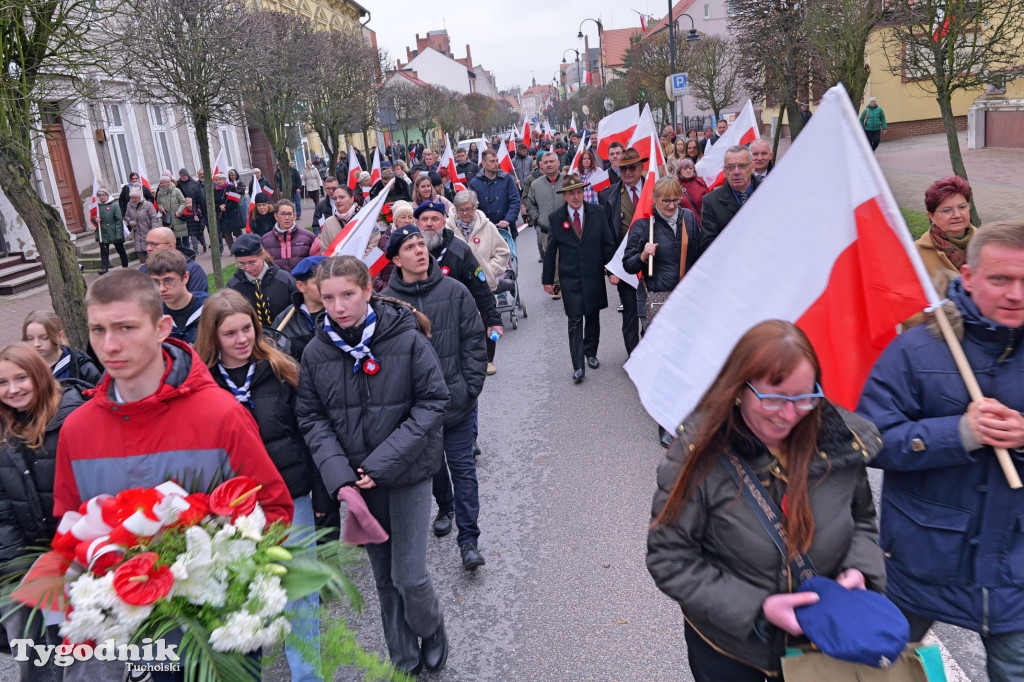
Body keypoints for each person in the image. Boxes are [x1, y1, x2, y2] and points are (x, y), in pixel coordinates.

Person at [53, 268, 293, 681]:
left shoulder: (221, 414)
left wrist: (217, 571)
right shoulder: (77, 430)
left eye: (126, 328)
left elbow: (273, 510)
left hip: (217, 631)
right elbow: (68, 529)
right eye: (98, 330)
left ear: (162, 328)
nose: (109, 345)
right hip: (139, 638)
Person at [648, 320, 885, 682]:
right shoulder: (697, 456)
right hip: (731, 652)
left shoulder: (839, 444)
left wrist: (860, 570)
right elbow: (669, 559)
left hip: (819, 647)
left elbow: (863, 520)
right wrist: (759, 610)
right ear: (739, 389)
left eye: (804, 397)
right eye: (773, 398)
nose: (789, 415)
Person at [857, 221, 1024, 682]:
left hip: (1013, 573)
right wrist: (960, 433)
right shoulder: (917, 350)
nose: (1016, 294)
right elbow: (870, 439)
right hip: (919, 560)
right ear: (967, 277)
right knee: (879, 670)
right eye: (1000, 279)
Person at [295, 256, 450, 676]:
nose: (339, 306)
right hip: (359, 483)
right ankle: (403, 656)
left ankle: (431, 626)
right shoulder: (316, 352)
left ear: (367, 289)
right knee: (384, 577)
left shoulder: (406, 338)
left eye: (347, 294)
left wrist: (382, 462)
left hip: (408, 471)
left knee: (409, 575)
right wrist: (340, 476)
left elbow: (434, 401)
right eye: (329, 298)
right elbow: (311, 418)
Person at [195, 289, 324, 682]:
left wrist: (321, 491)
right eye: (230, 333)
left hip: (289, 495)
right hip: (229, 509)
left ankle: (307, 676)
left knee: (299, 589)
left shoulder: (281, 369)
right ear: (213, 337)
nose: (242, 339)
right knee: (242, 594)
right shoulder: (201, 386)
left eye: (247, 329)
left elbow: (309, 431)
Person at [382, 227, 487, 571]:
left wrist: (469, 388)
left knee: (464, 470)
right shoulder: (386, 304)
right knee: (435, 467)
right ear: (396, 260)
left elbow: (474, 341)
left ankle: (469, 540)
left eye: (420, 244)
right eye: (410, 247)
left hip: (457, 403)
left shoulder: (455, 291)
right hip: (417, 413)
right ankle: (445, 507)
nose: (419, 251)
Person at [0, 342, 86, 682]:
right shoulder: (4, 428)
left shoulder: (73, 416)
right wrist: (20, 566)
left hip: (78, 555)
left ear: (39, 375)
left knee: (83, 654)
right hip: (26, 559)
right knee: (34, 655)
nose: (12, 389)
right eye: (2, 382)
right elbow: (3, 509)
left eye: (21, 378)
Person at [623, 177, 701, 445]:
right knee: (664, 360)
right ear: (654, 200)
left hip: (685, 298)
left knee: (685, 357)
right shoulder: (643, 226)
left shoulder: (689, 219)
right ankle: (665, 420)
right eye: (665, 200)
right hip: (656, 298)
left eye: (675, 199)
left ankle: (687, 411)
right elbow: (628, 265)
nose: (671, 205)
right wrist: (642, 256)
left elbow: (697, 255)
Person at [542, 175, 617, 384]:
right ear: (564, 195)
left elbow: (607, 242)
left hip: (593, 274)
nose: (576, 197)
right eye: (571, 193)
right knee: (574, 320)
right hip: (570, 278)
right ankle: (578, 366)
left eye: (579, 192)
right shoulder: (556, 217)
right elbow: (551, 251)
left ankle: (591, 352)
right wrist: (548, 279)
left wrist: (612, 270)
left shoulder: (597, 212)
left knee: (592, 316)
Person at [447, 190, 511, 375]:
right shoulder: (447, 229)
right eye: (461, 210)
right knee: (461, 324)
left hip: (483, 284)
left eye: (469, 209)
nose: (465, 213)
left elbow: (503, 252)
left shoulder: (487, 226)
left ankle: (489, 359)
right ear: (455, 209)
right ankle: (465, 361)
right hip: (458, 286)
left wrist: (489, 270)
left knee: (488, 320)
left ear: (476, 207)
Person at [598, 147, 649, 355]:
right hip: (625, 266)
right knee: (630, 311)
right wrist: (611, 270)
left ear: (641, 167)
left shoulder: (655, 189)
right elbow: (607, 236)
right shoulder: (607, 196)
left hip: (654, 262)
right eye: (623, 168)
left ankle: (650, 353)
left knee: (653, 310)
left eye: (632, 168)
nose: (627, 172)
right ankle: (634, 355)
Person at [700, 145, 761, 256]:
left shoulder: (768, 192)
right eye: (730, 167)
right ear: (724, 171)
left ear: (753, 167)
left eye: (742, 166)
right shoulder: (711, 201)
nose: (736, 172)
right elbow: (708, 245)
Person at [228, 233, 297, 326]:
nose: (248, 268)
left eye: (252, 262)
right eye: (242, 264)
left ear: (263, 255)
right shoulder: (233, 287)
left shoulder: (284, 280)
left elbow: (298, 311)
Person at [22, 310, 103, 387]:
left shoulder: (82, 366)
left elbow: (102, 393)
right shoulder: (23, 367)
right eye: (30, 338)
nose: (36, 344)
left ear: (59, 336)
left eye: (44, 338)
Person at [147, 249, 210, 346]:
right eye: (155, 282)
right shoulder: (153, 316)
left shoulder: (210, 307)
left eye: (168, 280)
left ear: (185, 277)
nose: (161, 288)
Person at [917, 176, 976, 275]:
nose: (957, 215)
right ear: (931, 216)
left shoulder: (986, 242)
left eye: (962, 207)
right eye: (947, 210)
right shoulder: (915, 252)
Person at [527, 151, 566, 299]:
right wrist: (537, 219)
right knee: (552, 258)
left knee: (568, 256)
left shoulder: (567, 180)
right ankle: (557, 286)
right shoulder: (536, 184)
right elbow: (530, 204)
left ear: (558, 163)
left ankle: (571, 283)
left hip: (567, 228)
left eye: (551, 161)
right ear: (541, 165)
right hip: (546, 229)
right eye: (546, 162)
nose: (549, 165)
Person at [273, 255, 324, 360]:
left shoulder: (341, 313)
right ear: (301, 286)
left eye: (328, 281)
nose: (325, 287)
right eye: (317, 283)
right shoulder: (284, 320)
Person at [139, 226, 209, 294]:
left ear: (171, 246)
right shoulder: (143, 270)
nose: (148, 248)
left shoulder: (193, 269)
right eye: (147, 244)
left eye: (154, 244)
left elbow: (198, 299)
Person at [468, 149, 521, 238]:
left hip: (506, 230)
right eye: (492, 161)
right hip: (483, 231)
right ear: (484, 163)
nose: (496, 164)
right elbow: (470, 206)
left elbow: (515, 201)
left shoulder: (507, 179)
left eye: (497, 160)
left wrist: (508, 220)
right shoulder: (474, 183)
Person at [261, 200, 316, 273]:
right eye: (283, 214)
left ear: (294, 216)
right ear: (276, 216)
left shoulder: (309, 237)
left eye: (289, 214)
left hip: (302, 279)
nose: (286, 217)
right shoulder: (265, 240)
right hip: (277, 279)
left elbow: (317, 263)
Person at [373, 201, 414, 292]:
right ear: (395, 220)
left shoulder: (418, 239)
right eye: (403, 217)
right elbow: (375, 269)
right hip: (389, 291)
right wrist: (382, 287)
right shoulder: (384, 239)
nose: (407, 221)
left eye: (410, 217)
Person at [92, 186, 127, 274]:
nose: (102, 197)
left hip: (114, 231)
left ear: (107, 195)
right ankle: (104, 268)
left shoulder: (114, 205)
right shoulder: (97, 206)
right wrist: (95, 219)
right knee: (104, 251)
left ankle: (125, 266)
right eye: (100, 195)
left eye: (103, 195)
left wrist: (119, 234)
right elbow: (93, 216)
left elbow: (119, 220)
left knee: (120, 250)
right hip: (103, 232)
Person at [125, 184, 161, 265]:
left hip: (148, 232)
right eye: (132, 198)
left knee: (151, 254)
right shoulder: (129, 205)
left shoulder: (148, 205)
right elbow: (126, 216)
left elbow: (154, 218)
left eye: (135, 198)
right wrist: (130, 222)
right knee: (140, 254)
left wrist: (154, 231)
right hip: (137, 233)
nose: (133, 200)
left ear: (139, 196)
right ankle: (143, 268)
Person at [318, 186, 359, 253]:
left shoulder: (364, 216)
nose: (338, 201)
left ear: (352, 199)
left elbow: (373, 245)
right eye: (335, 198)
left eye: (342, 197)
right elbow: (325, 250)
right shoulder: (329, 222)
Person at [214, 171, 244, 250]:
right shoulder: (215, 191)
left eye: (220, 179)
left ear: (224, 180)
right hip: (223, 216)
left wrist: (226, 207)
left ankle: (242, 246)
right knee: (226, 233)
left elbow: (235, 201)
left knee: (237, 232)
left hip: (233, 213)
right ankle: (232, 249)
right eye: (217, 180)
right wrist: (219, 207)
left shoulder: (231, 188)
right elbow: (214, 203)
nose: (218, 181)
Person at [155, 175, 188, 249]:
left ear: (168, 182)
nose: (162, 184)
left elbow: (183, 202)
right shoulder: (159, 193)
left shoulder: (176, 191)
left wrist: (179, 211)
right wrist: (161, 208)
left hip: (177, 217)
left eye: (163, 183)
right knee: (173, 239)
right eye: (161, 183)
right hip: (168, 218)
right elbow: (158, 203)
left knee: (182, 237)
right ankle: (177, 253)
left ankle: (186, 252)